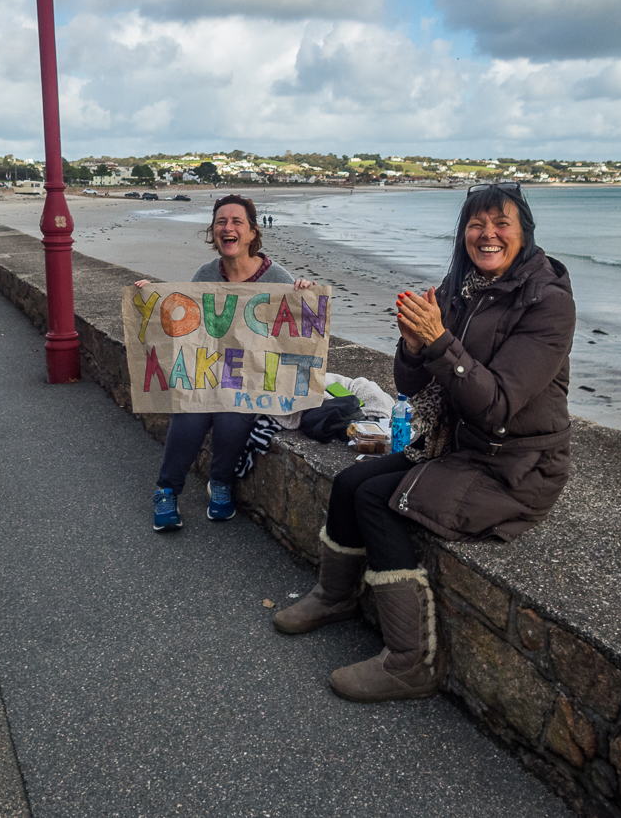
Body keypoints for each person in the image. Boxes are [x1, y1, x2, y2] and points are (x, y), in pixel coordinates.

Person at [273, 182, 575, 703]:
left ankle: (411, 662)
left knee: (378, 500)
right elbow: (414, 387)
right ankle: (334, 596)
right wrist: (415, 346)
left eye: (501, 223)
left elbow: (498, 405)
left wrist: (439, 342)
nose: (487, 235)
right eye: (476, 224)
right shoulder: (462, 288)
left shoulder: (548, 305)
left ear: (523, 233)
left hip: (516, 467)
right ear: (463, 234)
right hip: (458, 446)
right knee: (349, 482)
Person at [137, 194, 312, 532]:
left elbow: (296, 333)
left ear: (251, 233)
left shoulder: (276, 277)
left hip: (248, 379)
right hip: (207, 373)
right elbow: (185, 325)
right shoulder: (205, 274)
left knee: (233, 419)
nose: (227, 227)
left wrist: (303, 293)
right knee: (189, 417)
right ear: (213, 231)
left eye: (236, 222)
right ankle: (166, 491)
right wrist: (151, 300)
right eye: (221, 222)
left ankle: (221, 484)